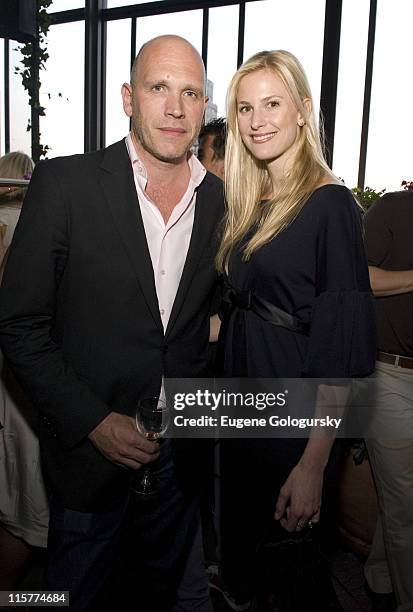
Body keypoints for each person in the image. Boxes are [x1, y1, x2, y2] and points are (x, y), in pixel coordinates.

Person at [0, 35, 223, 612]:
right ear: (128, 97)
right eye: (158, 88)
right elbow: (19, 325)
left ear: (204, 106)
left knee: (157, 595)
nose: (175, 108)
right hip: (89, 461)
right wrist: (94, 422)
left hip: (181, 463)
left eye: (190, 92)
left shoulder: (225, 202)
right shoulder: (65, 186)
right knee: (74, 592)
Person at [212, 50, 376, 611]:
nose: (257, 120)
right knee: (249, 569)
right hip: (240, 406)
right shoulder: (249, 202)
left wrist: (313, 464)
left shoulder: (329, 204)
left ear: (303, 111)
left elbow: (340, 353)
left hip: (292, 419)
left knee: (294, 578)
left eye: (273, 104)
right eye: (245, 108)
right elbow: (241, 307)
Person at [0, 152, 49, 590]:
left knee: (24, 507)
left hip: (21, 387)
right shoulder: (22, 229)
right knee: (27, 517)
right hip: (27, 388)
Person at [363, 189, 413, 612]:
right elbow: (358, 276)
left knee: (401, 499)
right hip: (390, 375)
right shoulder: (393, 208)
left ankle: (379, 579)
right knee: (408, 506)